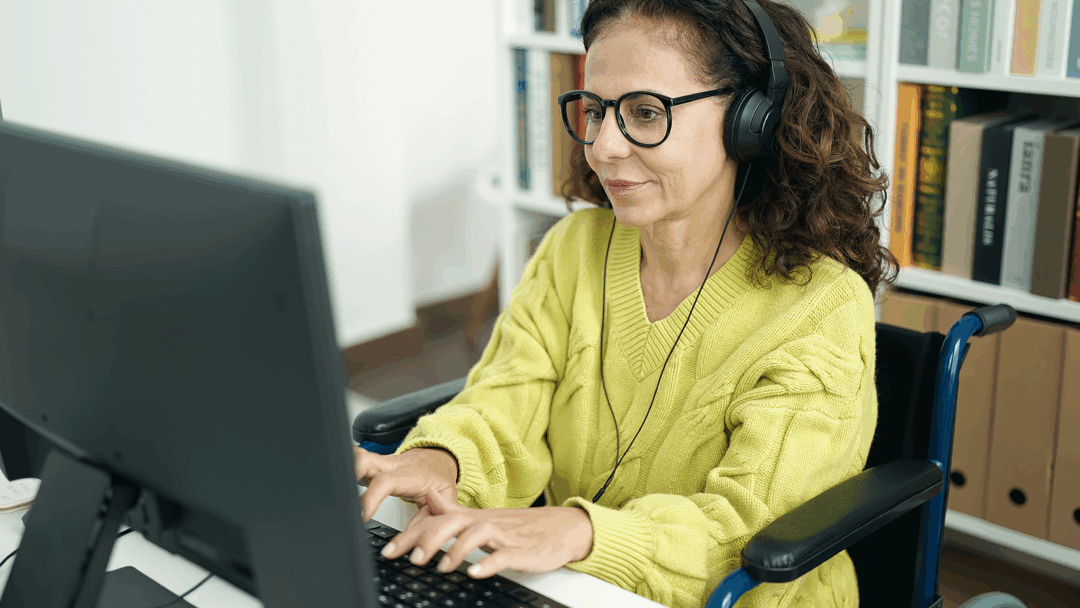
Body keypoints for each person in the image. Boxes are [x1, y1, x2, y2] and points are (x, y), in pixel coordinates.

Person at [354, 0, 899, 606]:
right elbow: (506, 400)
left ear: (752, 119)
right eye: (595, 110)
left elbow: (749, 528)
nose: (604, 146)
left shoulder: (820, 306)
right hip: (574, 588)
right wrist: (442, 460)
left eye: (645, 112)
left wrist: (581, 532)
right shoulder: (572, 249)